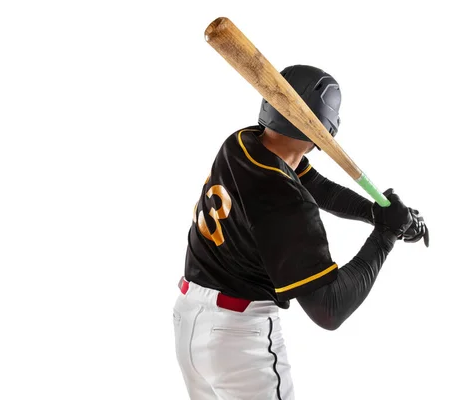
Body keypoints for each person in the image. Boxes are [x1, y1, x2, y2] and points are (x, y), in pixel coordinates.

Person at [172, 64, 429, 400]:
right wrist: (385, 237)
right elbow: (330, 308)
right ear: (324, 131)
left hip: (189, 319)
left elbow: (316, 185)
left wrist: (377, 213)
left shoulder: (241, 144)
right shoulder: (287, 202)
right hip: (238, 341)